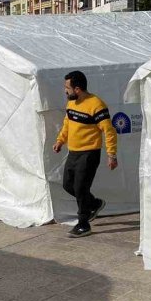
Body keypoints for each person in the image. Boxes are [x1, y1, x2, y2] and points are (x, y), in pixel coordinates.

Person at [53, 70, 118, 238]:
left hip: (89, 154)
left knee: (81, 188)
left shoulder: (96, 105)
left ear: (78, 89)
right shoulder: (71, 103)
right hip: (73, 152)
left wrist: (112, 155)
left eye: (67, 87)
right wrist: (60, 141)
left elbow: (109, 131)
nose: (64, 90)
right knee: (69, 185)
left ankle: (83, 224)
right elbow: (67, 123)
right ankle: (94, 203)